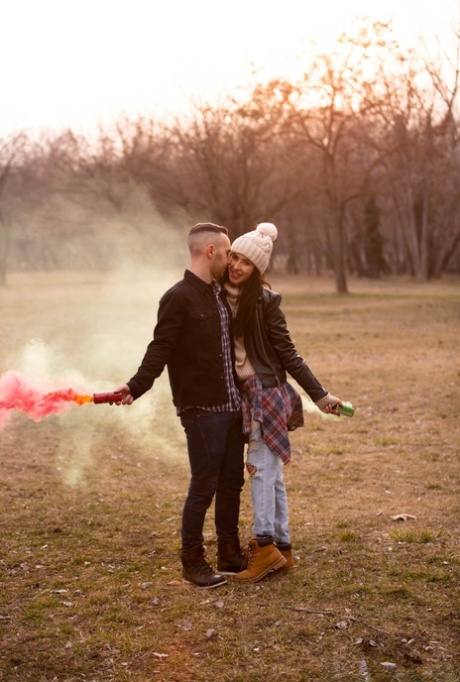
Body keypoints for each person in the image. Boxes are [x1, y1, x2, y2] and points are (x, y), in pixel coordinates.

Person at [114, 223, 246, 589]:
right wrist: (137, 385)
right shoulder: (179, 297)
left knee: (231, 482)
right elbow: (161, 347)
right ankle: (192, 562)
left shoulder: (219, 294)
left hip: (233, 406)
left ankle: (229, 553)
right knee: (204, 485)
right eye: (227, 251)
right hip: (202, 411)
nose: (230, 258)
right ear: (209, 252)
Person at [222, 222, 343, 583]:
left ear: (258, 270)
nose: (236, 265)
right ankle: (284, 549)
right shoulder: (221, 294)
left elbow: (289, 353)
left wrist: (319, 395)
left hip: (267, 392)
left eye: (245, 262)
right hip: (255, 392)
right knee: (272, 475)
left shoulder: (264, 302)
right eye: (234, 256)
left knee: (258, 469)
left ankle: (263, 550)